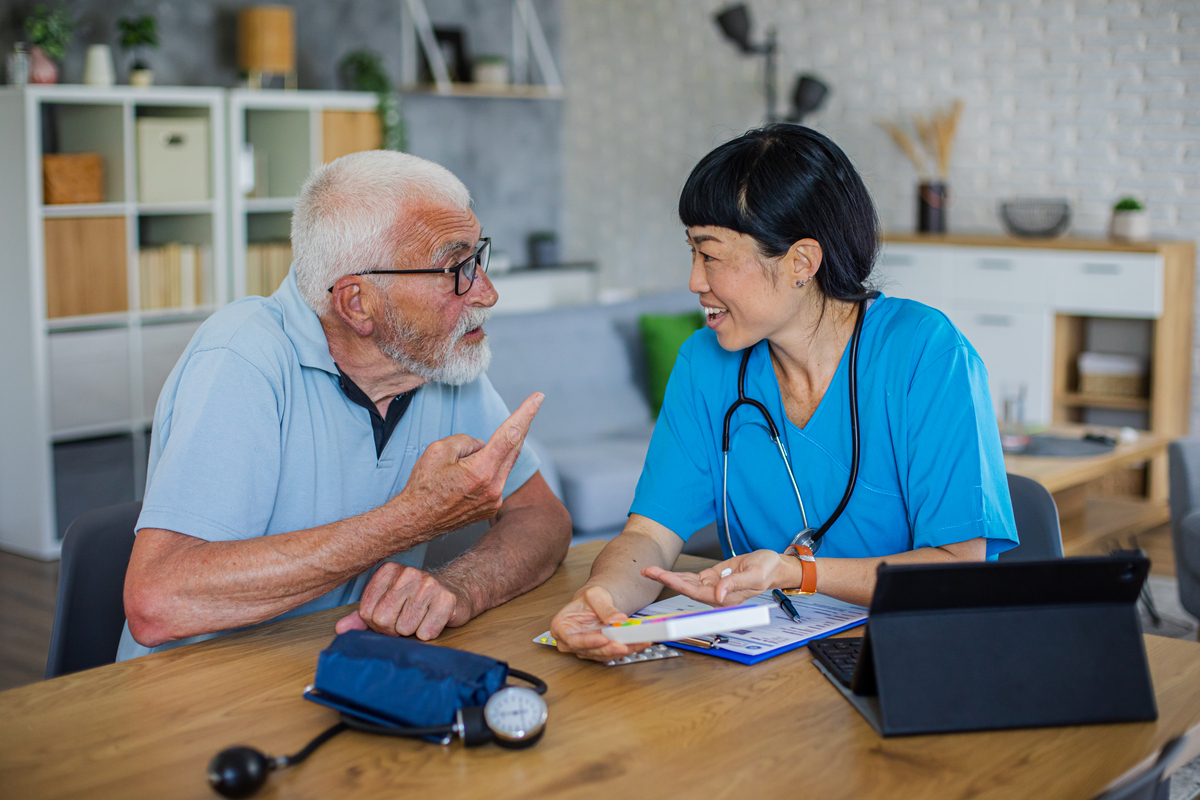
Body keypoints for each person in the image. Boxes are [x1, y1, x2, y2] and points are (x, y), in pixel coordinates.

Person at [550, 125, 1018, 662]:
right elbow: (649, 539)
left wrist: (798, 573)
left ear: (801, 262)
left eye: (711, 255)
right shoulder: (705, 364)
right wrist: (606, 600)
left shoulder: (925, 354)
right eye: (692, 253)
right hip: (763, 667)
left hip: (908, 657)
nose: (693, 281)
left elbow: (960, 570)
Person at [119, 150, 571, 661]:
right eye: (455, 269)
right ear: (357, 303)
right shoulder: (242, 356)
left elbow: (541, 516)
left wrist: (463, 586)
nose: (486, 294)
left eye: (478, 258)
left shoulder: (440, 362)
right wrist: (412, 518)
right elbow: (157, 601)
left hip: (342, 678)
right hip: (192, 704)